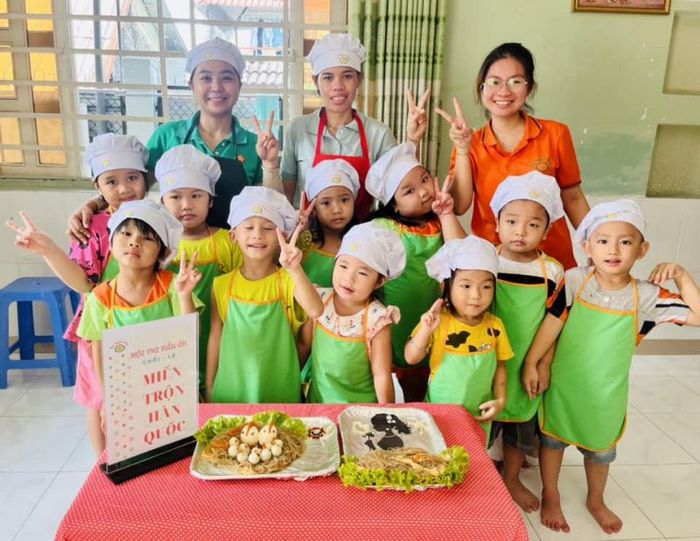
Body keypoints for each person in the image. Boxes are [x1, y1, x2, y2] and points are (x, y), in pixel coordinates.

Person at [521, 200, 700, 534]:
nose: (613, 250)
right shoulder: (575, 281)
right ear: (588, 247)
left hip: (606, 394)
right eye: (603, 241)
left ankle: (596, 499)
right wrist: (534, 362)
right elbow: (552, 324)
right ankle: (551, 494)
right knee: (552, 442)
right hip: (564, 386)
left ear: (642, 250)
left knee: (601, 451)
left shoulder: (647, 297)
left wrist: (681, 275)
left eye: (625, 241)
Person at [6, 133, 149, 455]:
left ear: (145, 179)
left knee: (141, 396)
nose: (124, 188)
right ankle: (102, 464)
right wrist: (49, 250)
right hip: (101, 328)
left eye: (132, 178)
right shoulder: (93, 227)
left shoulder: (154, 220)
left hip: (146, 322)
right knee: (99, 401)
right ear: (97, 186)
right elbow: (83, 282)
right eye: (111, 181)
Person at [68, 37, 282, 241]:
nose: (216, 87)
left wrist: (270, 164)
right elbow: (131, 186)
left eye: (226, 78)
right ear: (191, 85)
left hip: (236, 250)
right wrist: (94, 205)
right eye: (206, 78)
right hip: (174, 252)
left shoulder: (256, 145)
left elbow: (273, 206)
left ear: (239, 86)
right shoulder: (167, 136)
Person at [440, 42, 589, 269]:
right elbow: (459, 206)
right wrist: (462, 149)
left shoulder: (556, 134)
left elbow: (573, 198)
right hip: (493, 264)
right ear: (481, 87)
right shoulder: (470, 143)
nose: (503, 91)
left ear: (529, 88)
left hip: (552, 264)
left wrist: (596, 243)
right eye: (494, 82)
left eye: (515, 81)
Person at [77, 199, 201, 454]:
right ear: (111, 243)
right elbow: (99, 351)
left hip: (168, 389)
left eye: (147, 238)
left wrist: (184, 294)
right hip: (126, 391)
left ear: (162, 252)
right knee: (134, 451)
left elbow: (190, 335)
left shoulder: (171, 285)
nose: (134, 242)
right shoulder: (99, 298)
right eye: (126, 234)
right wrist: (107, 401)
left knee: (172, 451)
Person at [281, 32, 430, 218]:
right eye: (328, 77)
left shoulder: (378, 134)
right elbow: (286, 198)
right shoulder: (298, 130)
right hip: (307, 233)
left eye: (347, 76)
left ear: (359, 79)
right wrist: (269, 165)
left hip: (363, 233)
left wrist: (413, 139)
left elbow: (405, 185)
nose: (338, 86)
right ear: (316, 82)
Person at [487, 171, 567, 512]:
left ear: (546, 231)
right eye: (511, 221)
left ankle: (511, 477)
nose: (520, 231)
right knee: (483, 420)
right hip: (487, 360)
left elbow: (556, 322)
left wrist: (543, 363)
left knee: (520, 424)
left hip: (526, 361)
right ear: (497, 224)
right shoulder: (488, 260)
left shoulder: (552, 271)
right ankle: (481, 477)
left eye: (533, 225)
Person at [366, 142, 466, 402]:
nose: (423, 192)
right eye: (409, 191)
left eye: (424, 179)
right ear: (395, 206)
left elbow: (463, 254)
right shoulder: (383, 227)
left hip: (432, 315)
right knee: (393, 375)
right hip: (396, 318)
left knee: (425, 378)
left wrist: (446, 214)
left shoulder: (440, 223)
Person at [206, 187, 323, 404]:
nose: (257, 234)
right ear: (233, 236)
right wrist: (210, 385)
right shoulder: (221, 285)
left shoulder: (288, 280)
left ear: (282, 237)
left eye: (268, 228)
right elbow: (215, 338)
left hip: (279, 392)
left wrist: (295, 269)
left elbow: (316, 310)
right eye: (249, 227)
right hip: (230, 391)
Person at [405, 236, 513, 441]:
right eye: (466, 286)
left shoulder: (495, 326)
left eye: (486, 287)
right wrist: (426, 330)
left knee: (472, 458)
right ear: (446, 286)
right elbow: (411, 358)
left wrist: (500, 400)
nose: (476, 295)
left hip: (477, 417)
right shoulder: (437, 322)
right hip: (438, 416)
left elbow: (500, 366)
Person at [157, 144, 242, 398]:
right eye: (175, 197)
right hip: (171, 339)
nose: (186, 205)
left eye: (196, 196)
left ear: (211, 200)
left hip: (222, 335)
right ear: (162, 202)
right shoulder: (157, 244)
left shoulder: (230, 241)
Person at [298, 221, 405, 403]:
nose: (349, 278)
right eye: (343, 266)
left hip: (360, 411)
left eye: (362, 273)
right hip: (318, 404)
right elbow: (303, 346)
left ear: (379, 282)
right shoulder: (319, 300)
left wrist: (387, 412)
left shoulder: (377, 320)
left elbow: (381, 376)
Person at [300, 159, 360, 288]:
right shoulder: (303, 246)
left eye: (344, 200)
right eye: (326, 203)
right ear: (314, 209)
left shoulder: (363, 244)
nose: (337, 210)